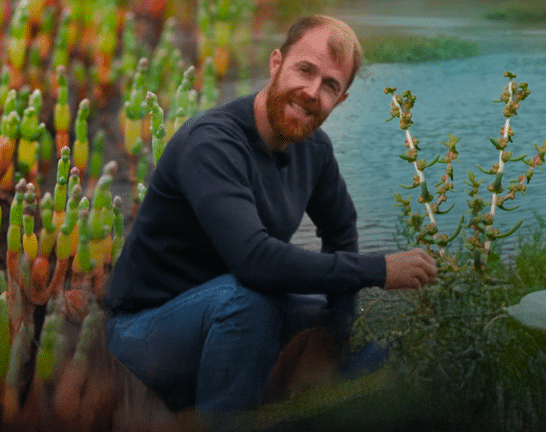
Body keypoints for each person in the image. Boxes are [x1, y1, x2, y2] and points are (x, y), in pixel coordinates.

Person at [104, 15, 437, 414]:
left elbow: (341, 230)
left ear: (341, 100)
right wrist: (380, 270)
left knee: (370, 339)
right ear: (276, 63)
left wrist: (336, 331)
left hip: (232, 314)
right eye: (305, 70)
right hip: (144, 330)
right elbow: (254, 261)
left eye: (330, 85)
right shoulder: (211, 143)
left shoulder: (314, 151)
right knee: (250, 302)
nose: (312, 91)